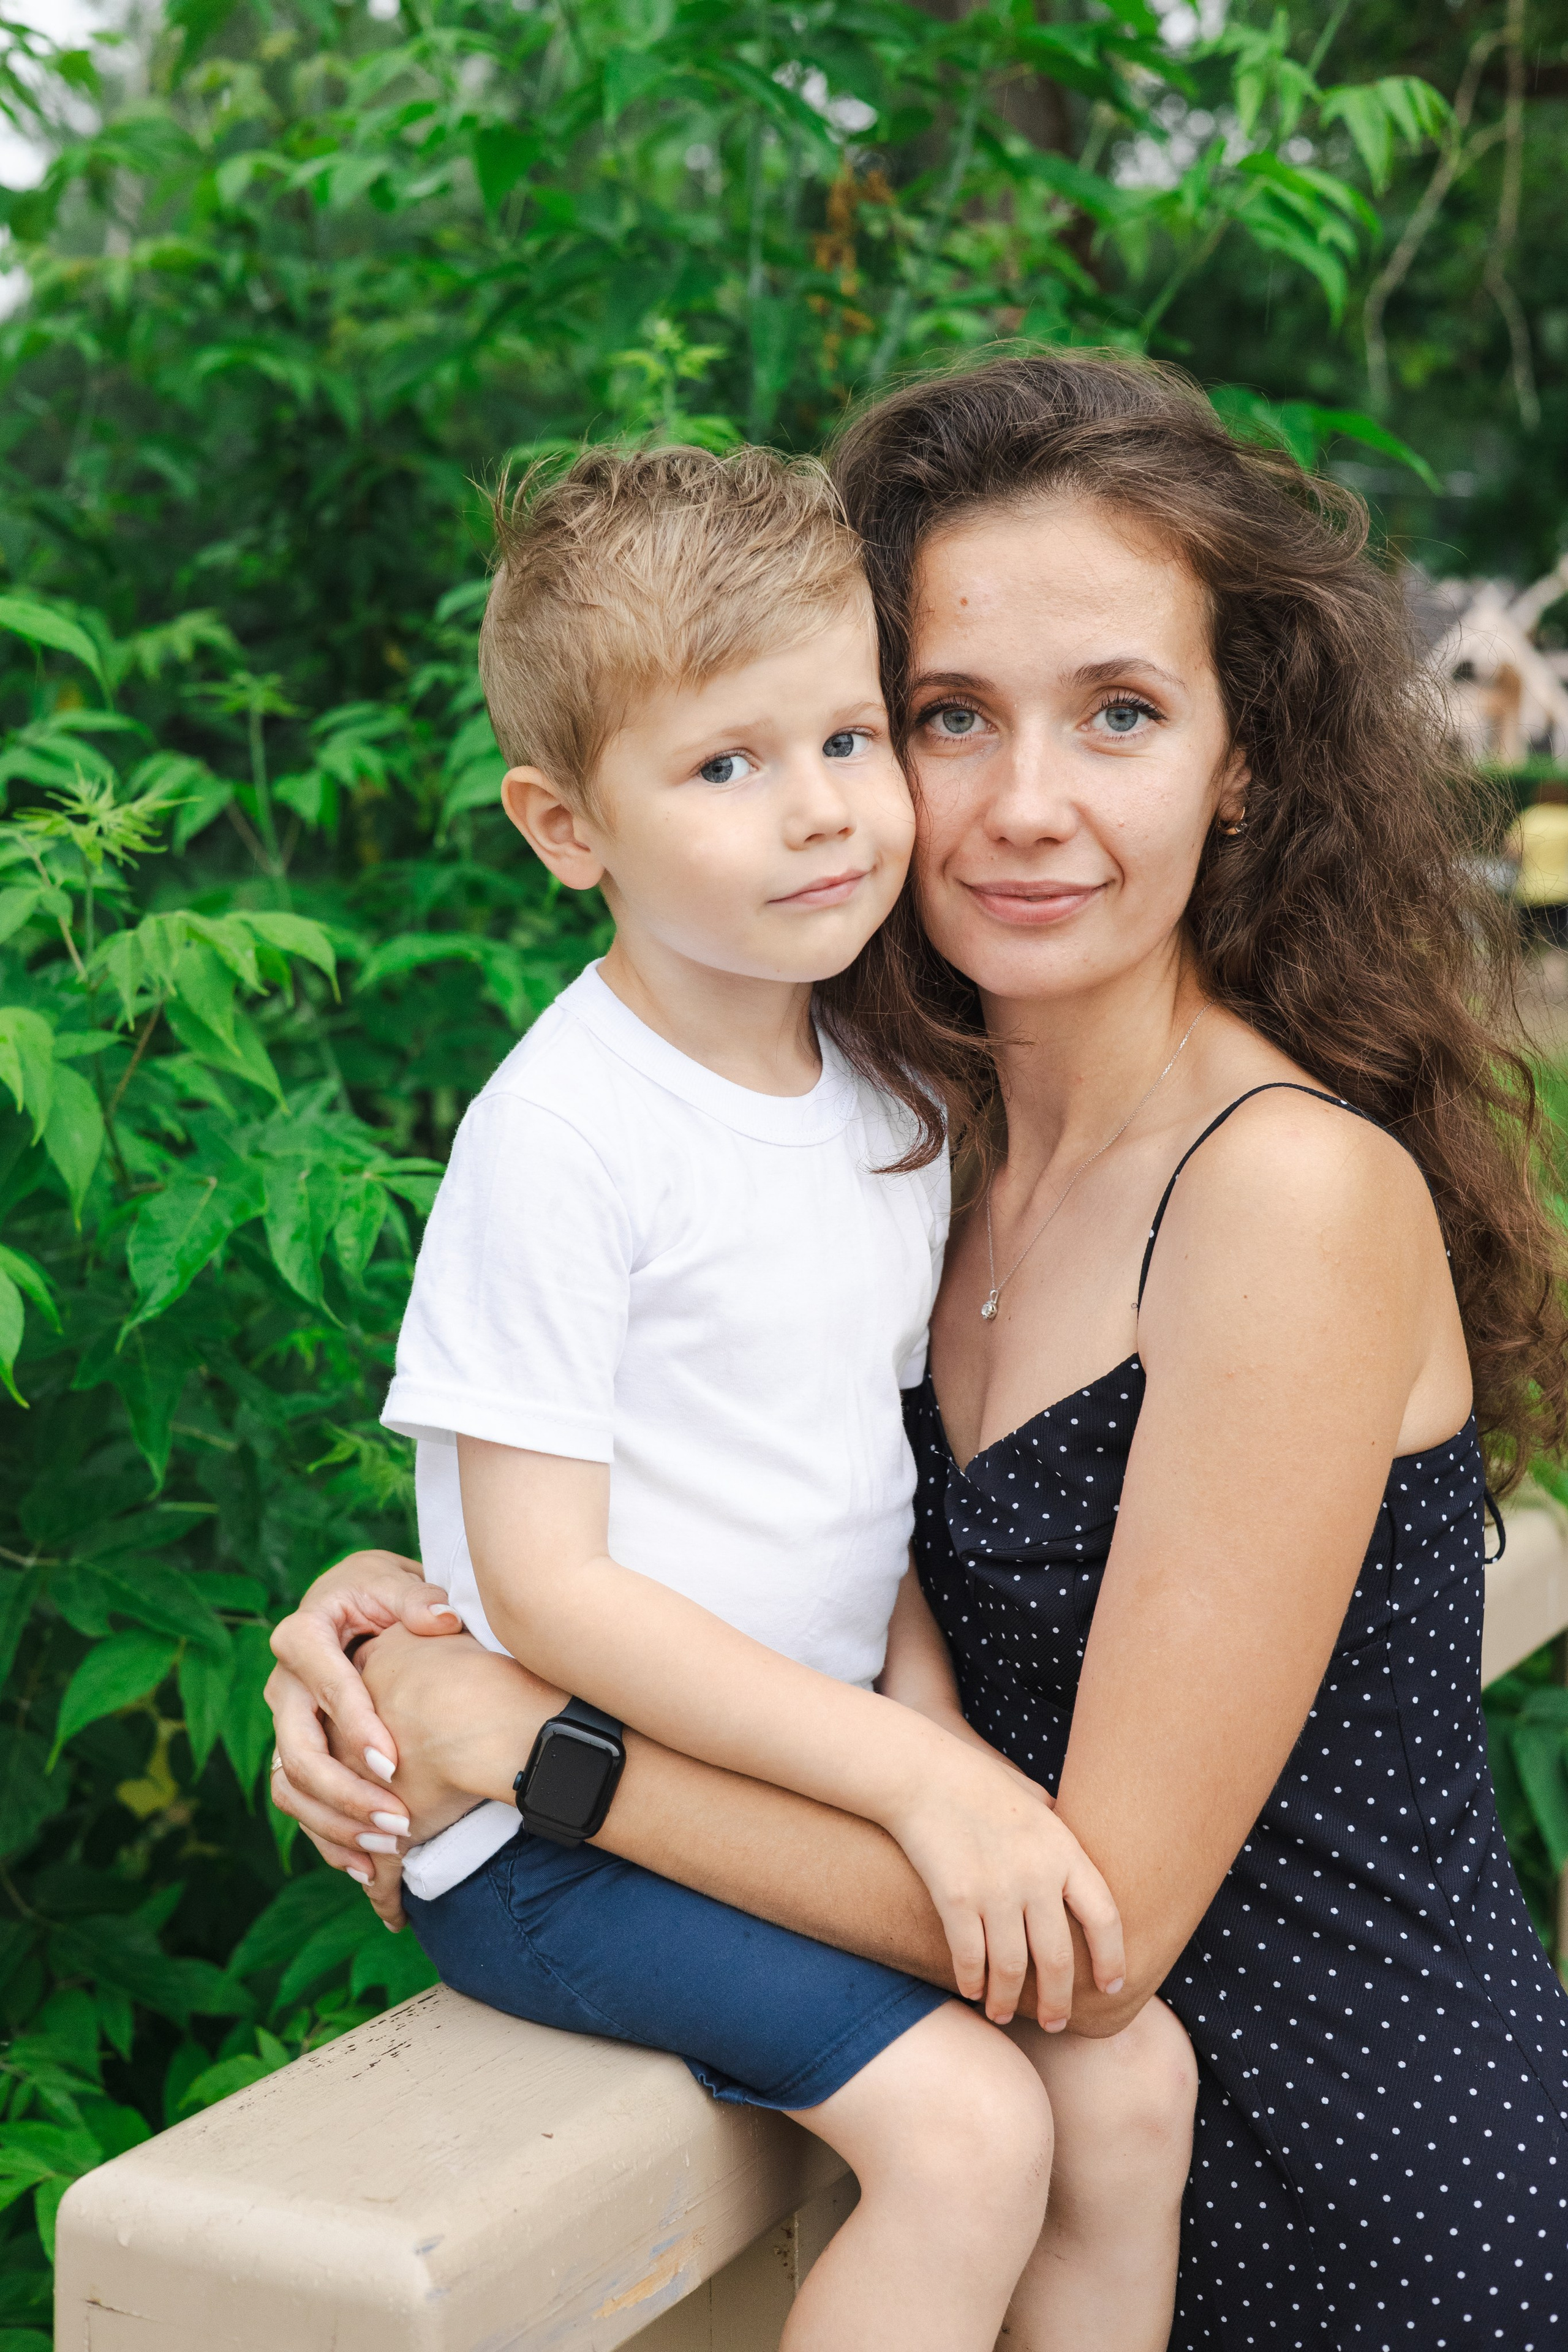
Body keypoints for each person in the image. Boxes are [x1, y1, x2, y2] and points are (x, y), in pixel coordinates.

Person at [270, 351, 1568, 2352]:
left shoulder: (1279, 1196)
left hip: (1350, 2209)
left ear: (1244, 758)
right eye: (949, 717)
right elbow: (696, 1506)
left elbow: (1099, 1933)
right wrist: (397, 1614)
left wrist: (534, 1754)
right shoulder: (887, 1137)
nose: (1025, 805)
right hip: (1029, 2181)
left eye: (1122, 714)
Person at [322, 438, 1199, 2352]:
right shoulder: (565, 1136)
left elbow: (847, 1488)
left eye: (845, 740)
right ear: (568, 829)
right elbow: (544, 1592)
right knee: (968, 2131)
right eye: (724, 767)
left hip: (776, 1789)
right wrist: (921, 1782)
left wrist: (934, 1724)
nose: (817, 814)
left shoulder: (881, 1103)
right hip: (554, 1845)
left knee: (1128, 2090)